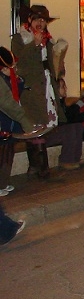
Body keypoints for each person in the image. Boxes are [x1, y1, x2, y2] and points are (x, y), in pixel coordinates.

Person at [11, 4, 69, 178]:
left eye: (43, 20)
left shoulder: (48, 40)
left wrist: (60, 80)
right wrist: (34, 45)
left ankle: (36, 167)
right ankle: (42, 168)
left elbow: (55, 65)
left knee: (43, 126)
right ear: (29, 20)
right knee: (35, 126)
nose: (40, 23)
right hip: (30, 90)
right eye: (36, 19)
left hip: (46, 88)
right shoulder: (20, 39)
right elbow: (19, 64)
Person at [0, 47, 36, 196]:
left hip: (9, 122)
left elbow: (15, 96)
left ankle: (3, 182)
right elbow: (7, 103)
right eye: (11, 67)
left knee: (8, 151)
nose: (14, 69)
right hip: (4, 121)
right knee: (2, 153)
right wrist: (25, 122)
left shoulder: (9, 78)